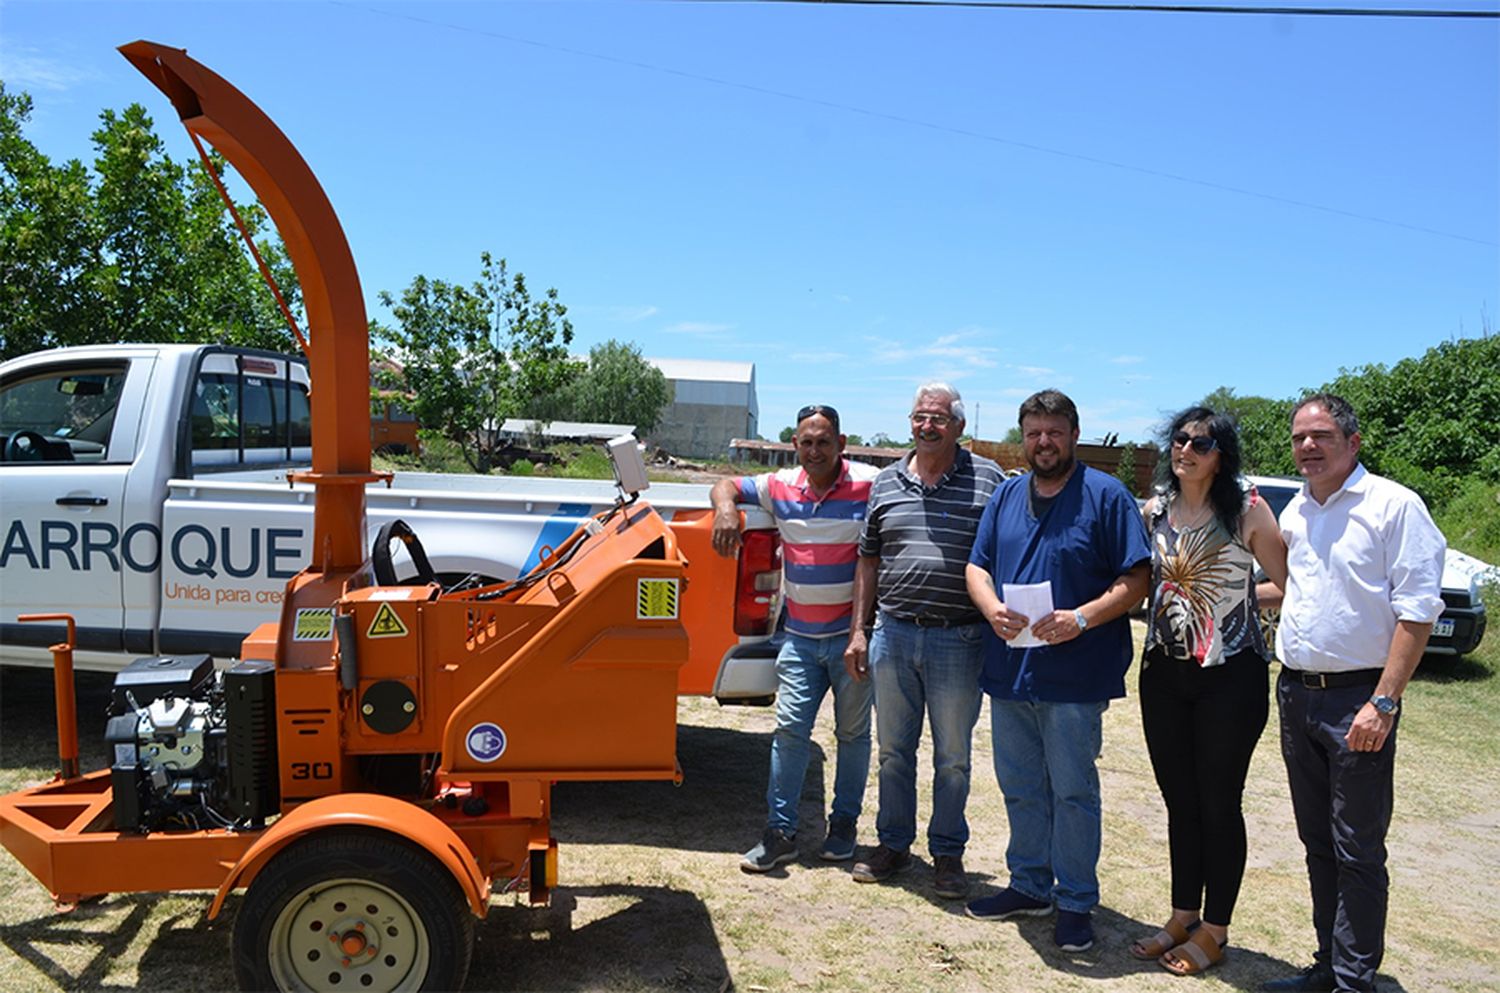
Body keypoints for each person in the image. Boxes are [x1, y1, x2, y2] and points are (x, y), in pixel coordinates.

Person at [1260, 394, 1445, 993]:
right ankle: (1327, 966)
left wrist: (1384, 702)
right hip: (1297, 695)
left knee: (1357, 848)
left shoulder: (1395, 507)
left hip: (1359, 702)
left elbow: (1417, 615)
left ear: (1353, 443)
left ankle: (1354, 981)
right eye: (1298, 438)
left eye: (1321, 436)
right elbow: (1294, 593)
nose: (1307, 447)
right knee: (1317, 842)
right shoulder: (1297, 514)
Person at [962, 388, 1151, 953]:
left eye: (1055, 431)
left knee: (1072, 791)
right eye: (1035, 431)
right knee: (1020, 785)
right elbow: (978, 565)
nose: (1044, 442)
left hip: (1075, 674)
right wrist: (990, 606)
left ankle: (1075, 902)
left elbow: (1135, 581)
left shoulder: (1107, 496)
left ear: (1074, 433)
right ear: (1025, 436)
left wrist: (1082, 618)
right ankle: (1028, 884)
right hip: (1011, 670)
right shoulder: (1008, 496)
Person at [1128, 407, 1288, 976]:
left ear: (1221, 454)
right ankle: (1181, 916)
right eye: (1179, 439)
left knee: (1219, 804)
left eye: (1201, 442)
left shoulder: (1246, 510)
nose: (1186, 450)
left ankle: (1215, 930)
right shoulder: (1154, 513)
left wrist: (1238, 601)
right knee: (1180, 803)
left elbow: (1286, 583)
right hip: (1164, 675)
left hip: (1231, 676)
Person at [843, 382, 1004, 900]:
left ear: (959, 425)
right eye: (919, 417)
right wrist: (859, 631)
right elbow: (868, 559)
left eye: (937, 418)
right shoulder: (887, 483)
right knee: (893, 750)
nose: (927, 426)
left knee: (953, 755)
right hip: (892, 633)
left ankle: (948, 854)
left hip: (958, 639)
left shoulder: (989, 481)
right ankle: (892, 845)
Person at [712, 403, 880, 873]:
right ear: (794, 445)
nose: (814, 450)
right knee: (789, 734)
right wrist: (726, 508)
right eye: (805, 442)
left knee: (852, 735)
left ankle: (843, 826)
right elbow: (725, 483)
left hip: (852, 641)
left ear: (841, 444)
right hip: (801, 641)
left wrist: (865, 631)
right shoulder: (779, 485)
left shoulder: (871, 484)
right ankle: (780, 833)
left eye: (824, 441)